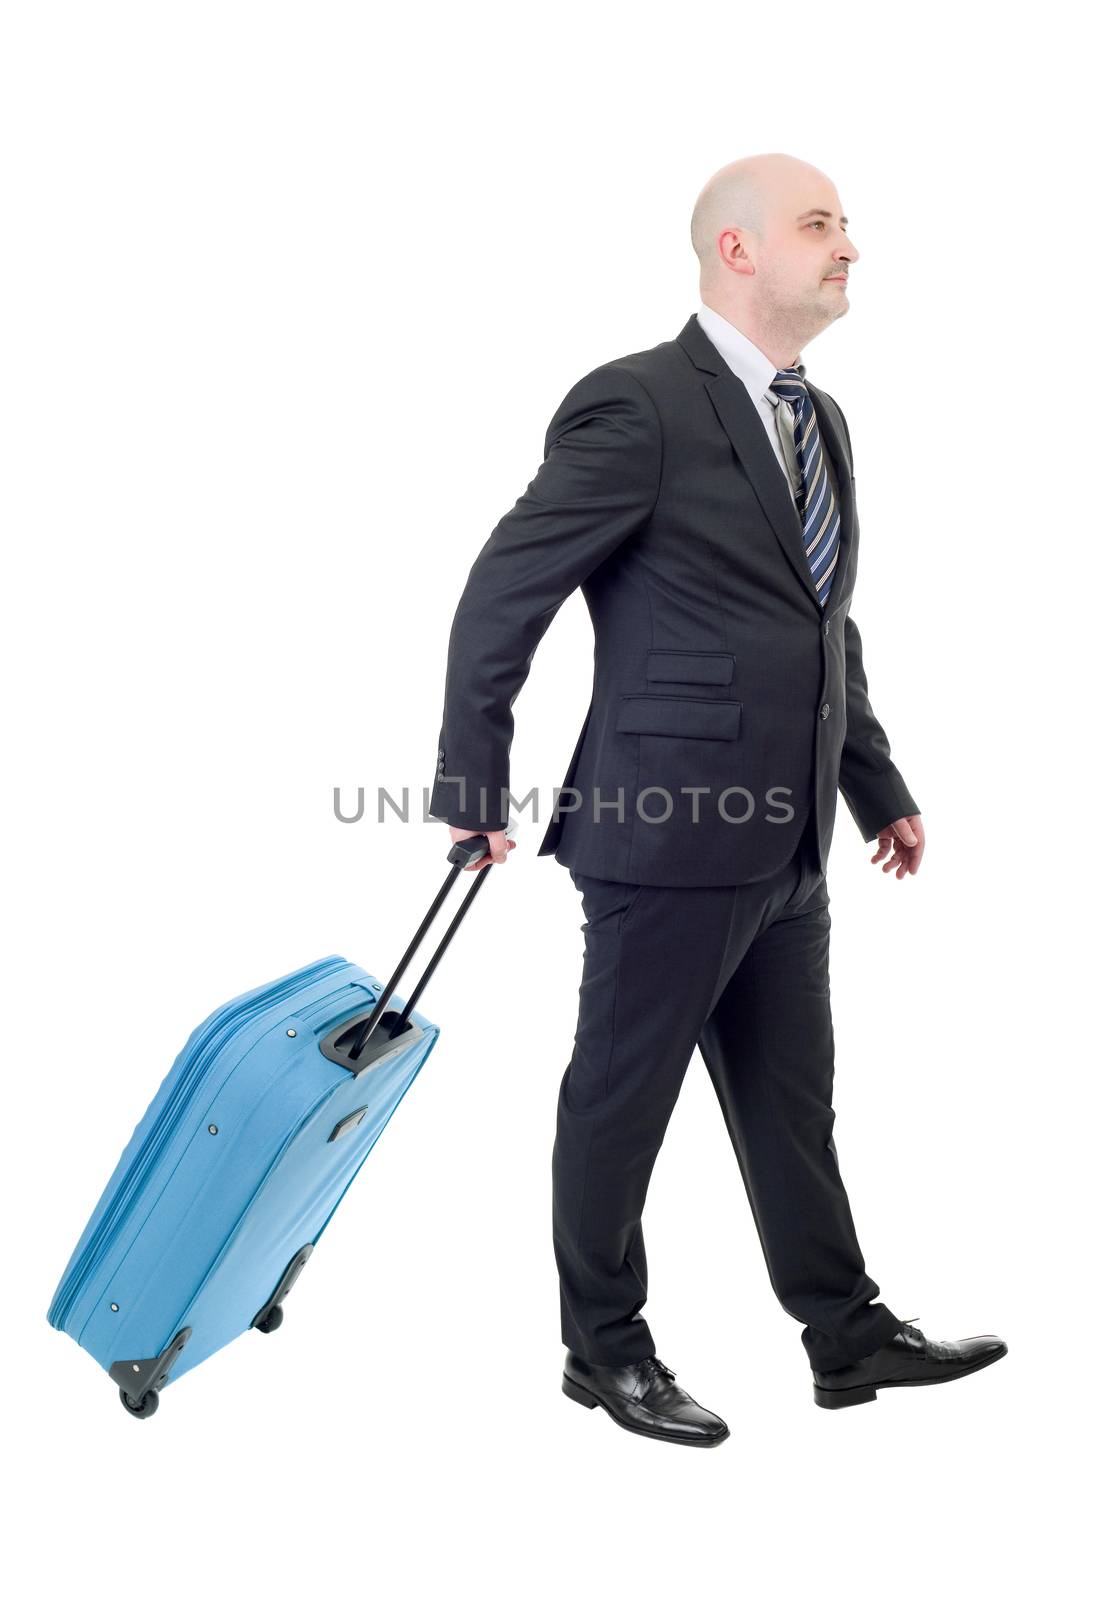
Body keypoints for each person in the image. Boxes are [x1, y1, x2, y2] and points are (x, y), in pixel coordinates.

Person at [428, 152, 1006, 1444]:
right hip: (663, 835)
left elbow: (823, 625)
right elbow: (500, 593)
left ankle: (844, 1332)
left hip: (788, 839)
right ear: (737, 251)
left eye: (848, 225)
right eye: (821, 225)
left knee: (794, 1103)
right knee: (621, 1103)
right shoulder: (636, 407)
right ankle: (604, 1349)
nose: (849, 246)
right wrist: (474, 779)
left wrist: (876, 785)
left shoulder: (822, 419)